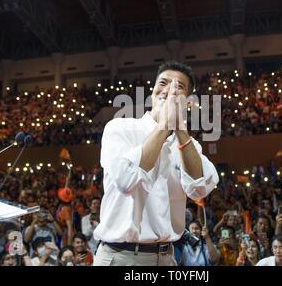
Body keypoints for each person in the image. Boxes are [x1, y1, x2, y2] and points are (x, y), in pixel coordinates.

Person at [93, 61, 219, 266]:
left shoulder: (189, 145)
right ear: (153, 92)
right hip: (121, 256)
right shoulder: (120, 128)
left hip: (167, 257)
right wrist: (164, 125)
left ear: (188, 101)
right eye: (163, 83)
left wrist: (179, 128)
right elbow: (126, 181)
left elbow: (199, 189)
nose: (169, 90)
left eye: (179, 87)